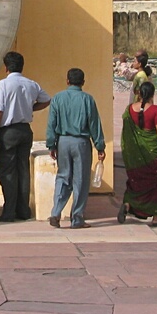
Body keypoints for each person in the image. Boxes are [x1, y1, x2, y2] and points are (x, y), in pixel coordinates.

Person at [0, 51, 51, 222]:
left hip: (8, 132)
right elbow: (46, 100)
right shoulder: (31, 84)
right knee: (23, 170)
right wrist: (30, 109)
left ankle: (9, 212)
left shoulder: (3, 85)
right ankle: (23, 210)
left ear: (6, 67)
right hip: (25, 129)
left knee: (7, 172)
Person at [46, 68, 106, 229]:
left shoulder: (58, 98)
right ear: (83, 82)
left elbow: (51, 124)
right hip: (81, 142)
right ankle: (77, 217)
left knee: (63, 177)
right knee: (80, 180)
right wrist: (100, 145)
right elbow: (95, 125)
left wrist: (51, 144)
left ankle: (56, 212)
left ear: (67, 81)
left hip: (63, 142)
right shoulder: (88, 99)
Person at [118, 81, 157, 227]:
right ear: (152, 94)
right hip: (153, 153)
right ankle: (155, 217)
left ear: (139, 93)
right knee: (155, 184)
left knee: (135, 181)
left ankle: (128, 204)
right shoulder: (155, 110)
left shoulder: (129, 109)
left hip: (136, 155)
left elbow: (127, 134)